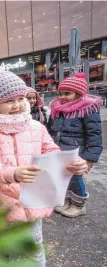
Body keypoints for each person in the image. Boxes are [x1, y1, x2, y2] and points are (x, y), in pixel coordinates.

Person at [0, 65, 88, 267]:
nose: (17, 104)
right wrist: (11, 173)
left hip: (32, 200)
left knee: (34, 247)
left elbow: (51, 151)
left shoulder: (35, 127)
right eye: (9, 101)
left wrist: (70, 163)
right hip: (0, 202)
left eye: (21, 98)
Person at [47, 73, 103, 217]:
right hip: (60, 150)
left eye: (67, 93)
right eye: (60, 93)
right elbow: (51, 129)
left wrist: (89, 158)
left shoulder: (87, 109)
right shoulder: (57, 108)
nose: (62, 97)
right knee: (63, 177)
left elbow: (94, 135)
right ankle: (66, 201)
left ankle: (79, 205)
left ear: (78, 94)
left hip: (77, 152)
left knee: (75, 178)